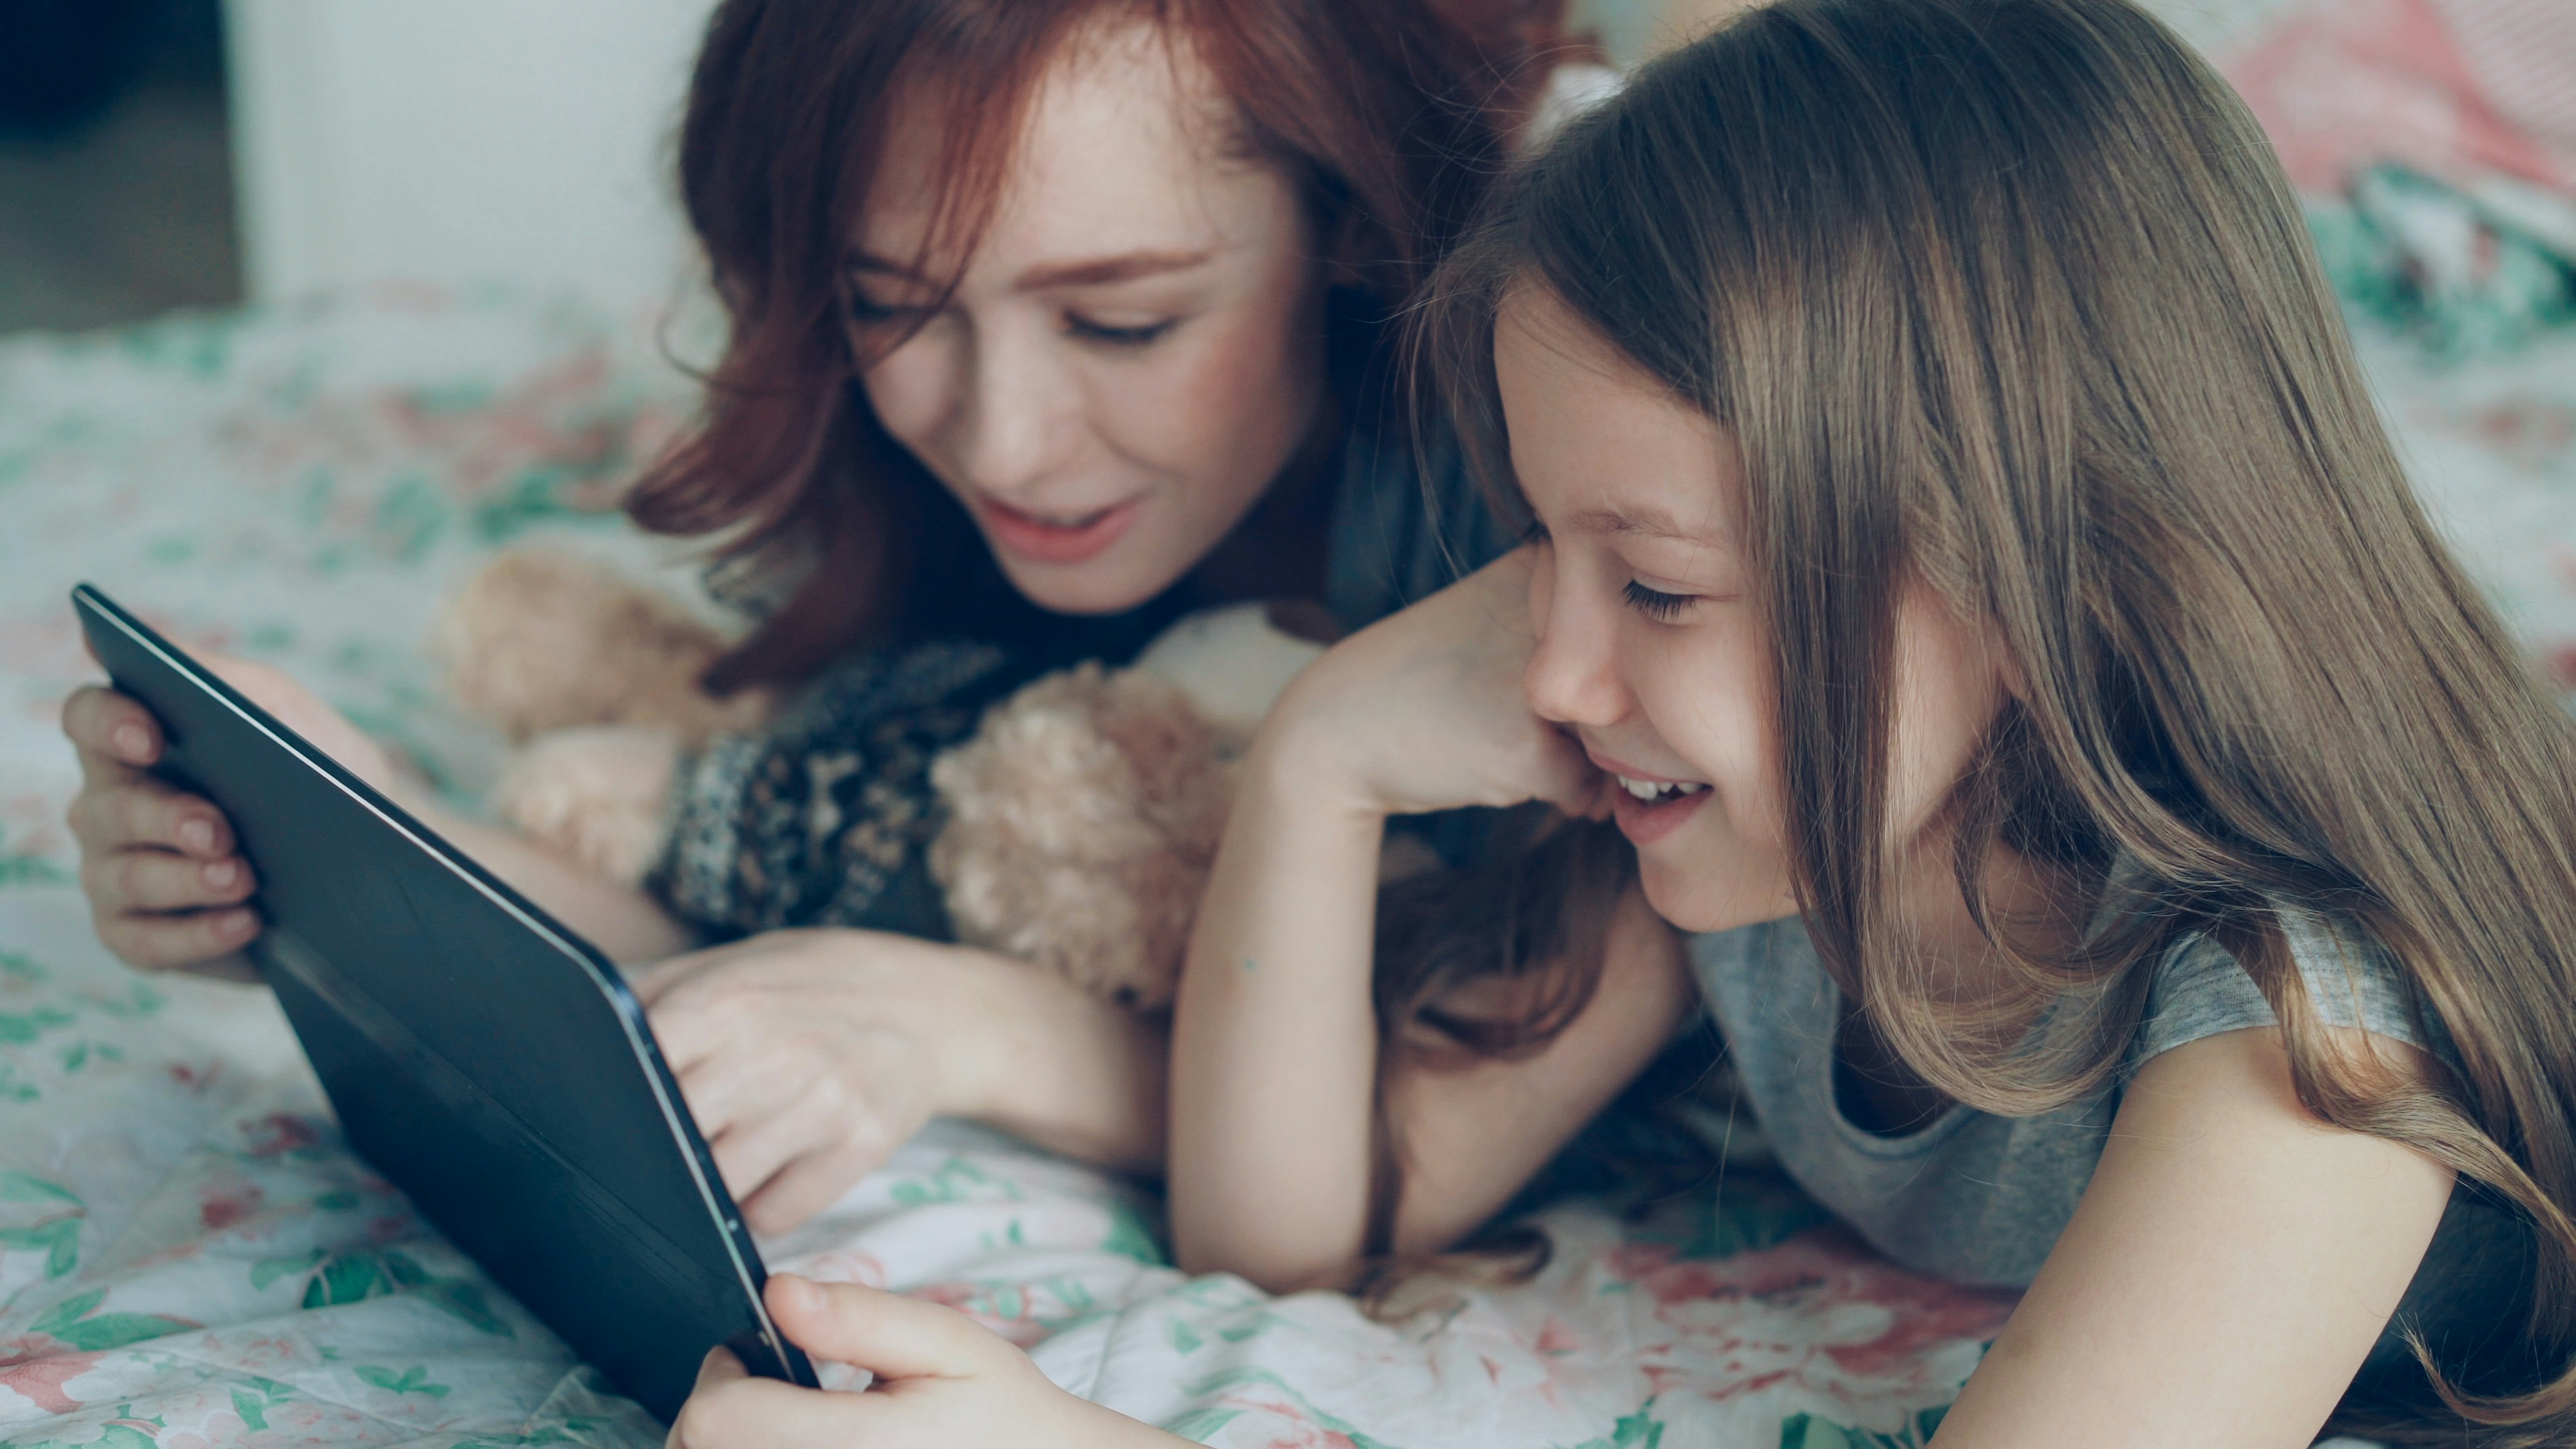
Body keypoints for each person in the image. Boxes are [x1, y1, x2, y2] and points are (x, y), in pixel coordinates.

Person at [672, 0, 2576, 1442]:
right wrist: (1329, 753)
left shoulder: (2308, 1029)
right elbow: (1294, 1233)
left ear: (2035, 576)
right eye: (1545, 555)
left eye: (1654, 586)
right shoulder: (1785, 839)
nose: (1553, 675)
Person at [58, 0, 1555, 1232]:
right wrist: (339, 867)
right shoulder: (874, 438)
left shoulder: (1558, 479)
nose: (1005, 442)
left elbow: (1390, 1138)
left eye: (1122, 321)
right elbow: (793, 874)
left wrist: (965, 1025)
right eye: (894, 301)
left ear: (1356, 231)